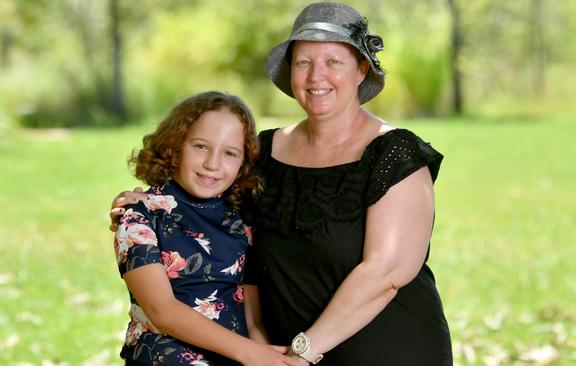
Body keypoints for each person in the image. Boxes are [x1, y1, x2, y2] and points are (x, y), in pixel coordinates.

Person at [112, 2, 452, 365]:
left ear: (361, 70)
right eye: (304, 62)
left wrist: (302, 351)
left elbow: (385, 273)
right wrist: (137, 207)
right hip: (276, 356)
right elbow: (201, 204)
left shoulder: (395, 154)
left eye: (333, 61)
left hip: (385, 352)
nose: (316, 76)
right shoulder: (265, 152)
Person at [111, 91, 301, 366]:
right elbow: (160, 310)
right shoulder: (139, 216)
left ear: (242, 164)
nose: (213, 163)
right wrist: (251, 353)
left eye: (230, 153)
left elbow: (252, 318)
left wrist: (266, 357)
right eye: (201, 146)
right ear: (173, 149)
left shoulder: (241, 221)